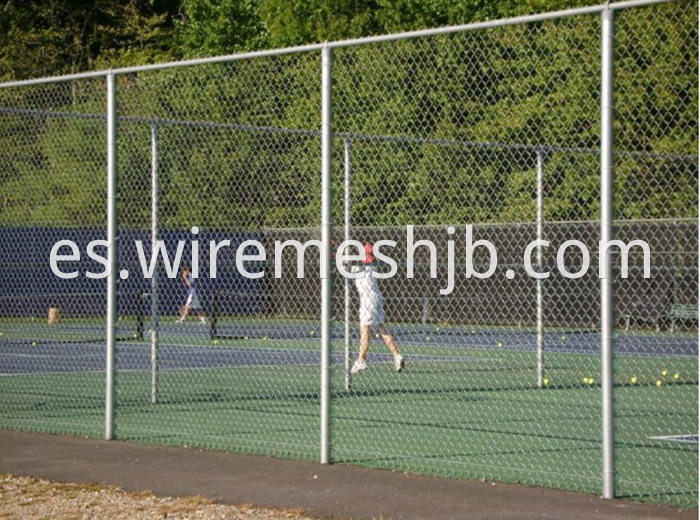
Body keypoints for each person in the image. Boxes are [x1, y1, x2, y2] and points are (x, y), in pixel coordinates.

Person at [350, 242, 404, 374]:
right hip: (377, 299)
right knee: (382, 328)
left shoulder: (360, 268)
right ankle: (397, 355)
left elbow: (346, 267)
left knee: (365, 330)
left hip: (368, 301)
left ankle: (361, 360)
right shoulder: (372, 267)